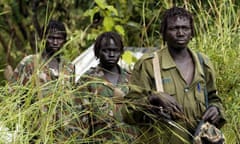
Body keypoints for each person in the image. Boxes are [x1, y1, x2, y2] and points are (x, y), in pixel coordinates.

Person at [122, 6, 226, 143]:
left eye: (185, 28)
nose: (180, 33)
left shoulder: (203, 63)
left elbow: (214, 97)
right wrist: (152, 99)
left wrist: (216, 109)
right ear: (163, 33)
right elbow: (128, 111)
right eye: (174, 28)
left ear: (192, 32)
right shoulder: (149, 64)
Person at [10, 20, 75, 143]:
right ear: (43, 39)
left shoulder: (69, 67)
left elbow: (71, 100)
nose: (55, 42)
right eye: (51, 38)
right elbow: (13, 95)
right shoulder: (30, 63)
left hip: (61, 136)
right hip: (34, 134)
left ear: (64, 41)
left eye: (59, 38)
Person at [75, 31, 137, 143]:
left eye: (115, 50)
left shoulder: (131, 79)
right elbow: (79, 121)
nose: (111, 54)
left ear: (121, 52)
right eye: (106, 50)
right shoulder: (88, 81)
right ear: (98, 52)